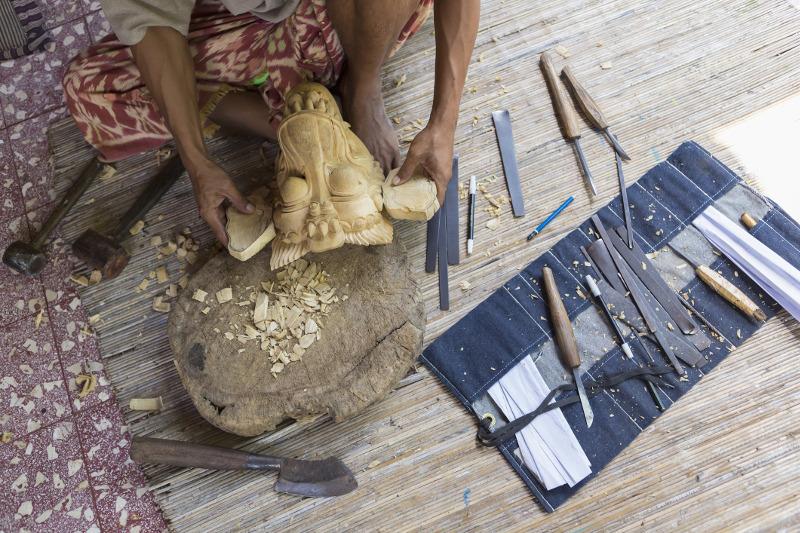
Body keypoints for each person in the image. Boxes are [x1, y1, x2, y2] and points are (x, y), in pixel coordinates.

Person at [63, 0, 479, 245]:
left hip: (347, 18)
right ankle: (306, 123)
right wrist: (197, 161)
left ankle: (362, 90)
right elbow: (151, 21)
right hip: (245, 24)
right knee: (88, 88)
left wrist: (444, 123)